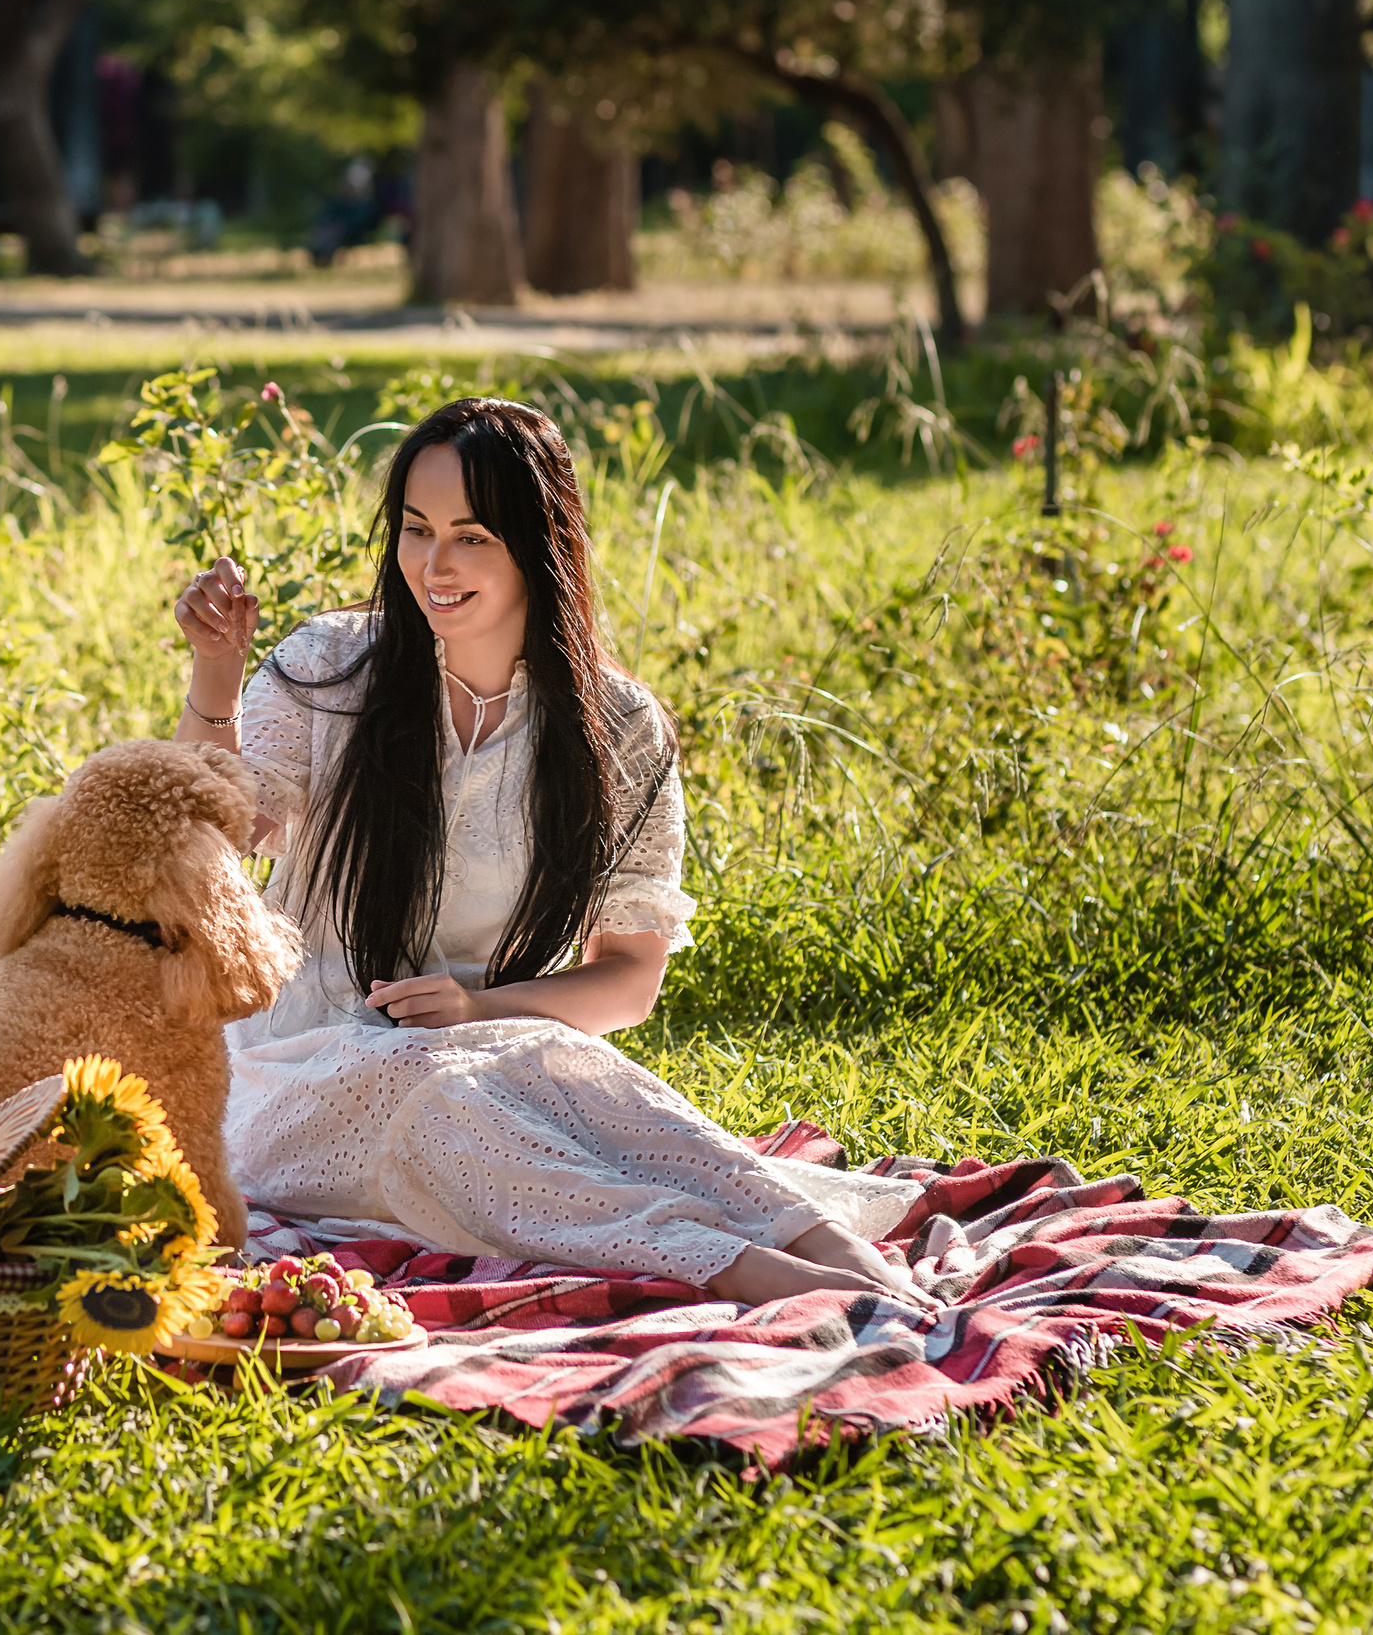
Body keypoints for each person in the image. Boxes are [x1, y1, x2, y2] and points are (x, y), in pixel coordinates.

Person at [171, 396, 935, 1309]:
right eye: (416, 530)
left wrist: (479, 1005)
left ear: (538, 545)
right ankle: (760, 1275)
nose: (434, 565)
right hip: (291, 1066)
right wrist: (214, 676)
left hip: (498, 1047)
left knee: (601, 1090)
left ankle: (848, 1260)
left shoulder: (617, 726)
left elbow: (627, 983)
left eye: (472, 537)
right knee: (444, 1098)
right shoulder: (331, 670)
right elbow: (213, 836)